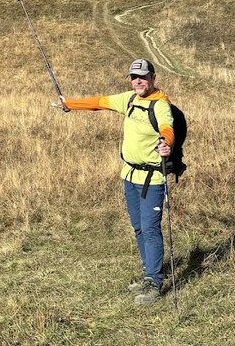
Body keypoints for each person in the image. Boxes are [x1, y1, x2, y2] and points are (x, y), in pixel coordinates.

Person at [59, 58, 174, 306]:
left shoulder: (160, 105)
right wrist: (70, 104)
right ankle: (148, 273)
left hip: (152, 178)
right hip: (129, 176)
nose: (138, 81)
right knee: (139, 227)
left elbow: (167, 127)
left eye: (143, 76)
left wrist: (166, 143)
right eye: (134, 77)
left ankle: (155, 282)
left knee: (151, 229)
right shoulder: (130, 99)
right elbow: (100, 102)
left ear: (154, 77)